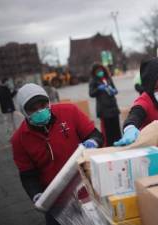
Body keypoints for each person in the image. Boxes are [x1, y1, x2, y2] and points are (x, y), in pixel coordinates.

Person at [11, 83, 103, 225]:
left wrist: (93, 142)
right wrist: (36, 195)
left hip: (88, 190)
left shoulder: (70, 112)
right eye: (33, 109)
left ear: (48, 101)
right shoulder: (19, 139)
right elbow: (28, 175)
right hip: (56, 202)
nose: (40, 111)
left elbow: (95, 134)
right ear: (24, 112)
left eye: (43, 105)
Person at [89, 63, 121, 146]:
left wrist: (113, 91)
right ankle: (110, 146)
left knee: (116, 129)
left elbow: (115, 90)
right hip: (104, 110)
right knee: (108, 132)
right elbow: (91, 93)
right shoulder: (93, 81)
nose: (100, 72)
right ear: (94, 72)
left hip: (113, 107)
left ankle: (119, 144)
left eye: (101, 70)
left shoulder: (108, 78)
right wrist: (98, 89)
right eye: (97, 71)